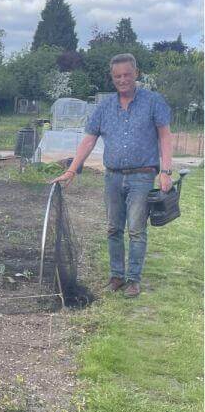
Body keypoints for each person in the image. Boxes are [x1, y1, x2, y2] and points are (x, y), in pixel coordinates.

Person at [52, 53, 173, 298]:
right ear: (112, 78)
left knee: (136, 229)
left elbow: (165, 135)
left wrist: (166, 171)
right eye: (117, 76)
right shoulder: (104, 107)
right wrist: (72, 169)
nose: (123, 80)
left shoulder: (153, 101)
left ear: (135, 74)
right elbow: (88, 140)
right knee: (112, 228)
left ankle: (133, 280)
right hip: (113, 177)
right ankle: (117, 276)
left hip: (142, 175)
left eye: (127, 74)